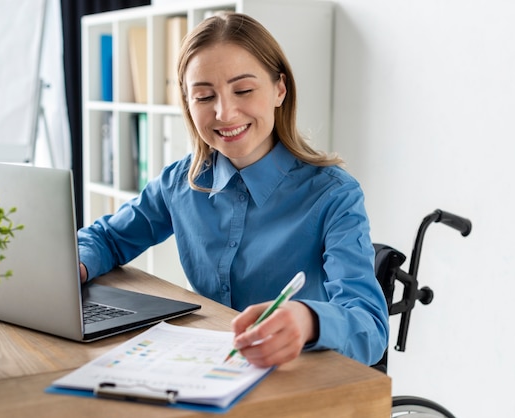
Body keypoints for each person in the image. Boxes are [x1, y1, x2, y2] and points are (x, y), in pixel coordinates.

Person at [78, 12, 388, 368]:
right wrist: (79, 264)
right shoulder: (181, 182)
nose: (224, 113)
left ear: (279, 90)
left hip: (296, 378)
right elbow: (108, 238)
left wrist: (308, 320)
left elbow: (370, 328)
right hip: (210, 367)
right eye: (204, 96)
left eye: (243, 90)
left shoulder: (334, 195)